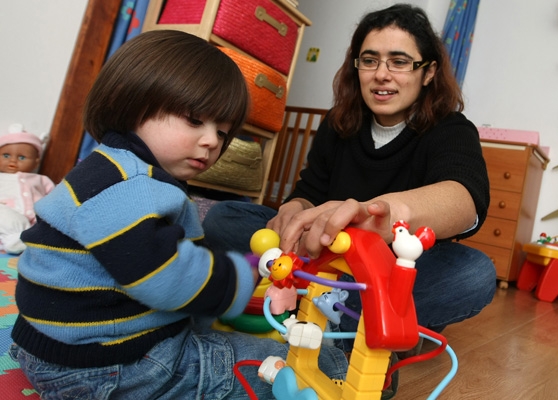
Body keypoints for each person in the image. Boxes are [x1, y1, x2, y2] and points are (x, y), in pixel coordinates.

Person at [9, 30, 347, 400]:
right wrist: (243, 274)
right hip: (110, 367)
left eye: (222, 132)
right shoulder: (129, 185)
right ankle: (341, 367)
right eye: (194, 120)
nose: (212, 141)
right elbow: (164, 275)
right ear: (131, 102)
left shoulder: (114, 168)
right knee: (287, 365)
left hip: (55, 349)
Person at [204, 4, 497, 351]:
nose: (381, 74)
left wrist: (381, 215)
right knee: (225, 216)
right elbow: (310, 191)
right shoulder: (338, 123)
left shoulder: (451, 129)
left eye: (399, 62)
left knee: (474, 273)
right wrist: (292, 210)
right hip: (325, 259)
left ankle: (335, 319)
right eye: (370, 60)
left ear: (428, 72)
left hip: (389, 273)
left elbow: (464, 200)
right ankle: (345, 317)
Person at [0, 125, 54, 254]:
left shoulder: (41, 180)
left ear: (36, 162)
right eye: (6, 155)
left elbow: (54, 199)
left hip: (34, 226)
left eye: (22, 157)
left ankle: (24, 243)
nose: (13, 161)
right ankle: (14, 242)